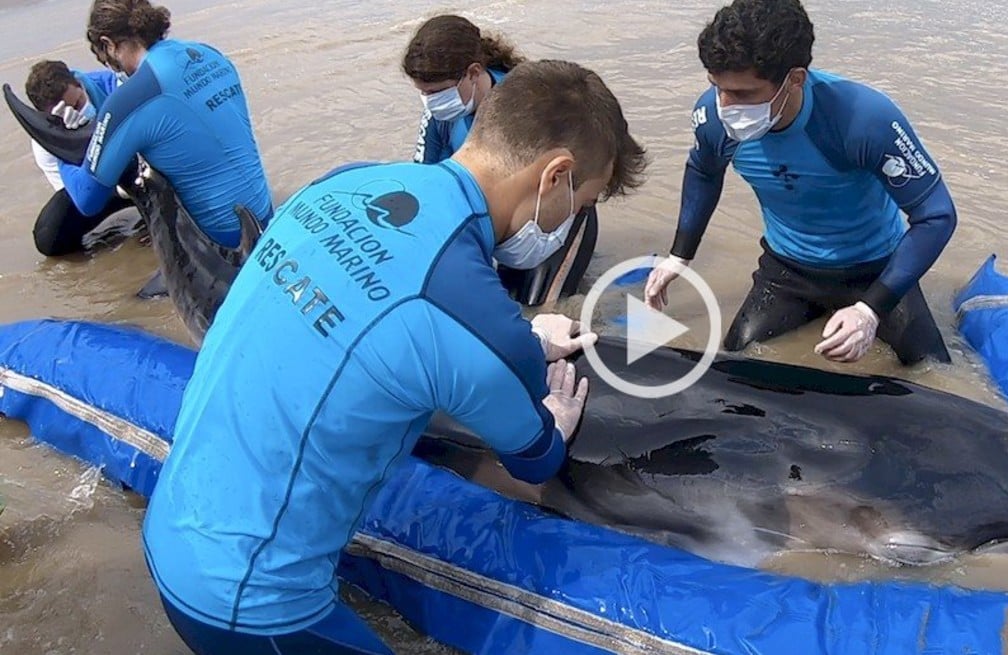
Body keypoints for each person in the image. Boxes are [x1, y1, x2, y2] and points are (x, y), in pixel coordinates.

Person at [141, 59, 648, 653]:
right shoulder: (474, 321)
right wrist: (554, 420)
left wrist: (526, 339)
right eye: (582, 203)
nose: (572, 223)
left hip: (169, 529)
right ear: (555, 176)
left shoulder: (343, 182)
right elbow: (533, 462)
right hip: (249, 607)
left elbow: (382, 313)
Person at [643, 0, 958, 366]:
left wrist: (871, 310)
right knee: (735, 370)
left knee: (933, 374)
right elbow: (703, 171)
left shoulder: (861, 119)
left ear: (795, 80)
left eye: (743, 94)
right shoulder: (713, 118)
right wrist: (679, 255)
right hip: (787, 271)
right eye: (716, 87)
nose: (725, 106)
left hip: (875, 269)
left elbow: (936, 215)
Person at [403, 14, 600, 307]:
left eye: (435, 92)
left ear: (473, 73)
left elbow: (583, 167)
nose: (430, 101)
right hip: (503, 231)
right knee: (502, 303)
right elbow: (427, 187)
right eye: (423, 93)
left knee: (541, 311)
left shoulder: (528, 103)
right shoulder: (439, 116)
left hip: (555, 224)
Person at [57, 0, 273, 249]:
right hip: (265, 216)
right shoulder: (209, 53)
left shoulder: (131, 98)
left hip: (223, 243)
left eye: (105, 57)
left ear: (108, 44)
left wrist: (60, 144)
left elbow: (87, 200)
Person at [22, 60, 134, 256]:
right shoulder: (45, 142)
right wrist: (70, 142)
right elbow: (77, 194)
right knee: (48, 236)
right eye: (64, 113)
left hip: (141, 166)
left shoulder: (115, 87)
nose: (77, 112)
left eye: (78, 103)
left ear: (78, 83)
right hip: (107, 189)